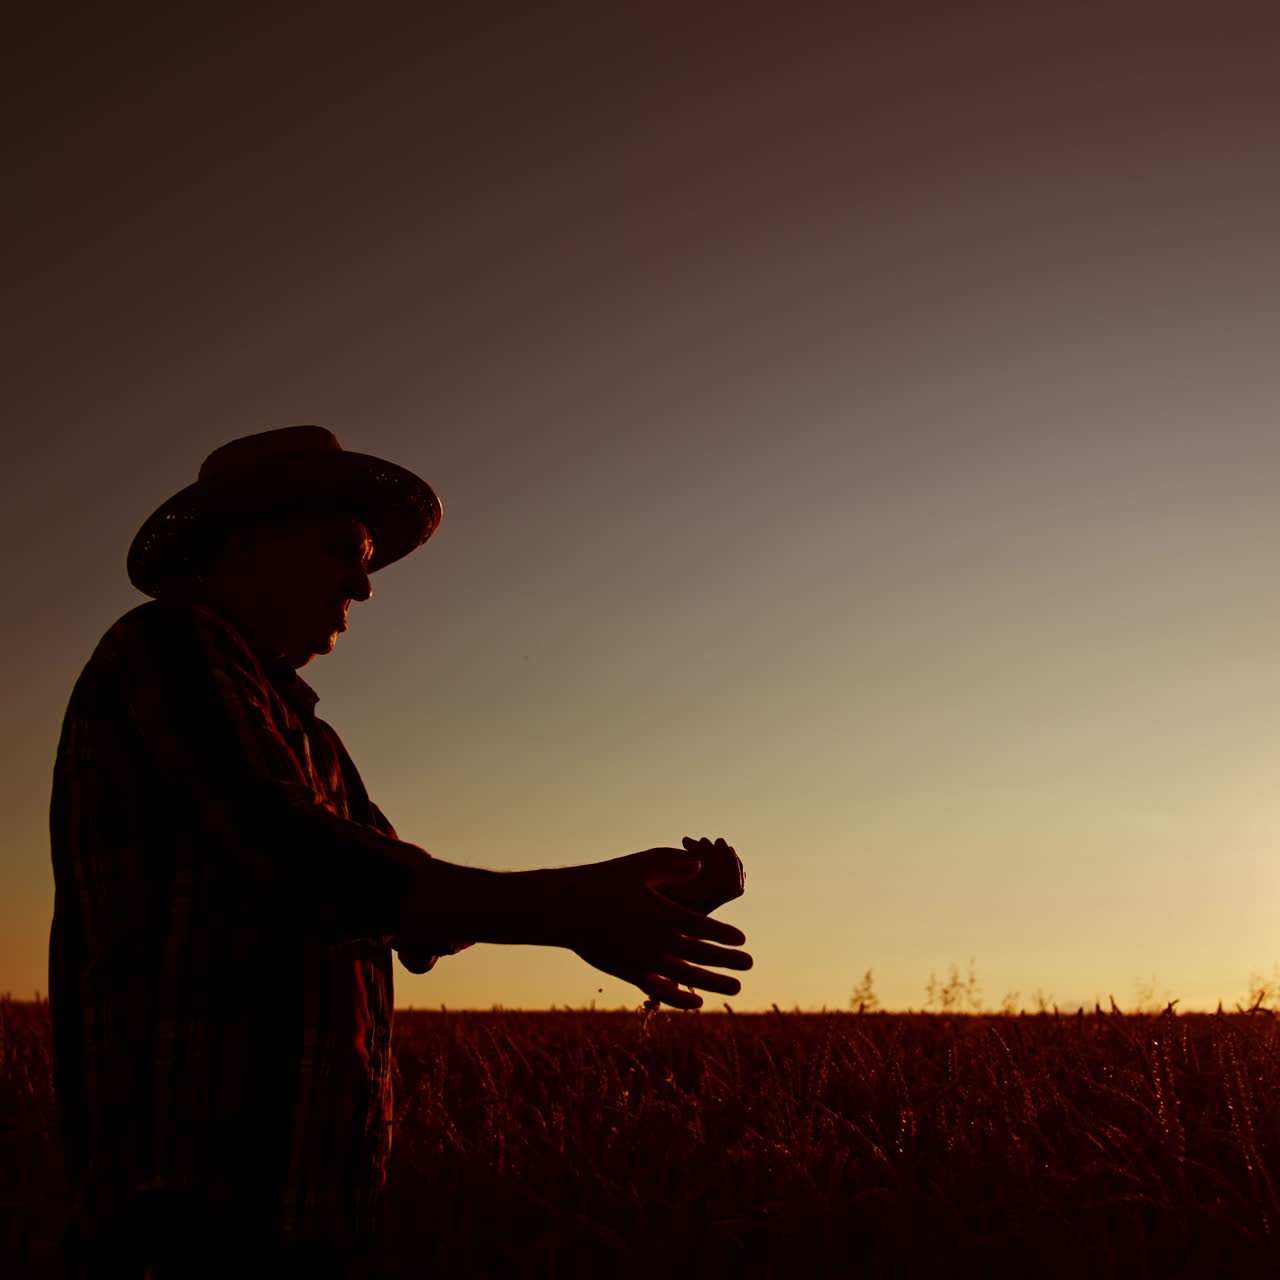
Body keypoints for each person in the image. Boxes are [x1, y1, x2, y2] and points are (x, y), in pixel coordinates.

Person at [48, 425, 751, 1278]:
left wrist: (600, 912)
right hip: (188, 1194)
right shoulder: (166, 646)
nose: (363, 586)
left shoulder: (314, 740)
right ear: (242, 545)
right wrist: (569, 905)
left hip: (302, 1195)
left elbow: (405, 910)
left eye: (368, 558)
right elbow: (295, 858)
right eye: (340, 550)